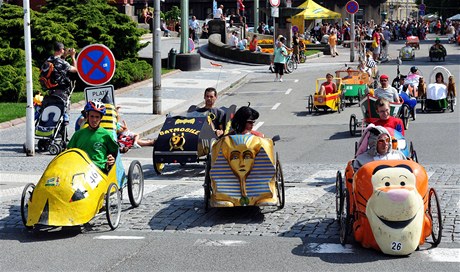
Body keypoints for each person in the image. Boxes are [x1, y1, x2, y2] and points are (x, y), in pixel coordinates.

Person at [67, 101, 119, 173]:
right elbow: (69, 151)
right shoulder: (78, 134)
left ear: (101, 118)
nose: (94, 120)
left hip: (99, 170)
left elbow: (114, 151)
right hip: (80, 168)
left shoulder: (106, 134)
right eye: (92, 116)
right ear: (87, 116)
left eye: (97, 117)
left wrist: (111, 158)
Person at [40, 42, 78, 125]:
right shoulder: (61, 62)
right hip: (62, 91)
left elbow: (57, 66)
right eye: (63, 49)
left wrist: (64, 56)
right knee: (63, 111)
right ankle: (64, 123)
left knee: (52, 110)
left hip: (50, 90)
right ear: (61, 50)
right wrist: (73, 57)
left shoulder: (48, 60)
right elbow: (75, 70)